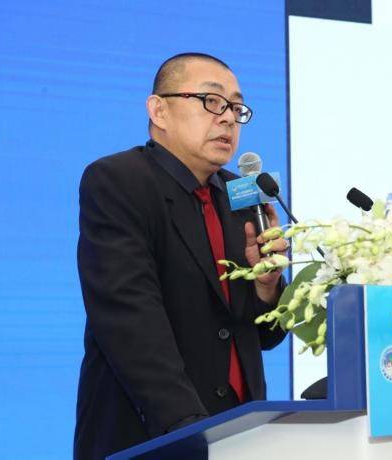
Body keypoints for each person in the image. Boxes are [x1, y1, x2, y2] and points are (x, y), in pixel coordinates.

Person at [73, 52, 288, 459]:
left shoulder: (242, 195)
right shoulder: (119, 181)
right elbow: (129, 319)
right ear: (159, 110)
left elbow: (264, 336)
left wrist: (267, 287)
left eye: (236, 108)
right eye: (211, 101)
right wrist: (192, 431)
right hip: (151, 435)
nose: (228, 118)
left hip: (241, 436)